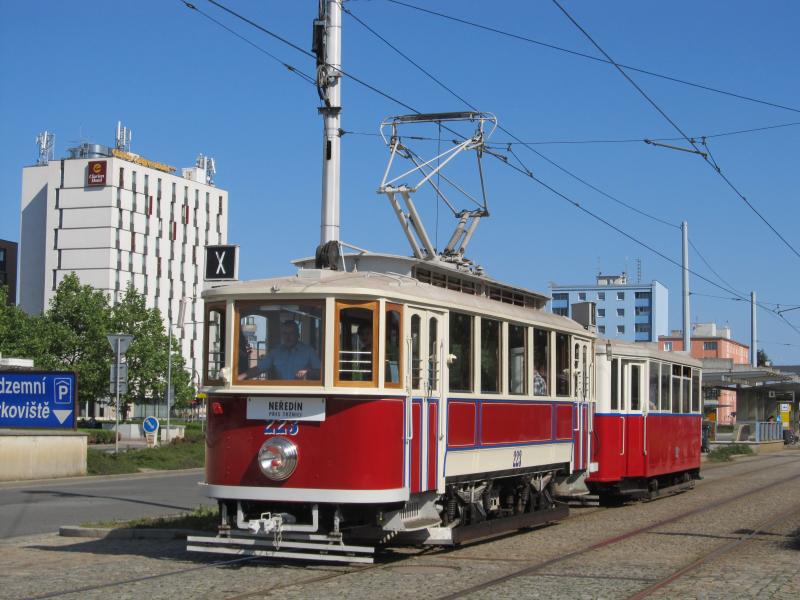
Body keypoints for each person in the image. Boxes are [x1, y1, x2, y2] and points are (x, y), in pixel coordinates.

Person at [239, 320, 320, 381]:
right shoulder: (275, 352)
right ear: (281, 335)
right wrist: (239, 378)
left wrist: (308, 372)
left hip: (303, 395)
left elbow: (321, 372)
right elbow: (259, 369)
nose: (288, 337)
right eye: (285, 333)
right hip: (281, 393)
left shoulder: (309, 351)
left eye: (291, 333)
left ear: (298, 335)